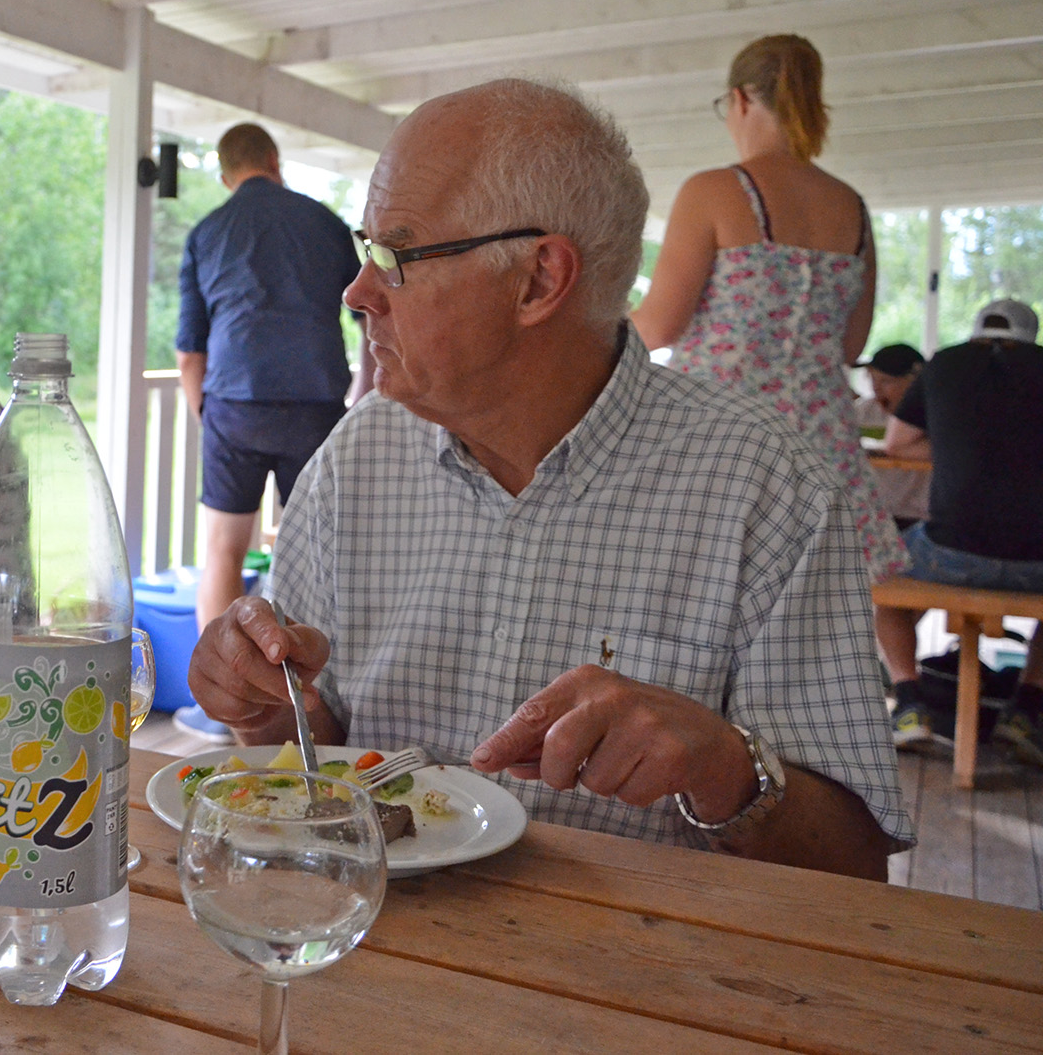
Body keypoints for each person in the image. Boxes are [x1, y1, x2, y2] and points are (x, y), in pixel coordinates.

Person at [188, 78, 910, 880]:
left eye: (392, 254)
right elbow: (311, 762)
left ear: (537, 280)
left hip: (642, 976)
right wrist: (262, 700)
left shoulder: (766, 488)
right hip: (367, 943)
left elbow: (854, 868)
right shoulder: (357, 459)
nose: (356, 293)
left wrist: (723, 768)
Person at [632, 34, 906, 583]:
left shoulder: (713, 191)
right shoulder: (850, 206)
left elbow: (659, 325)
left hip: (716, 436)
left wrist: (578, 336)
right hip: (822, 446)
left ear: (740, 100)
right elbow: (849, 346)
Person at [176, 123, 362, 631]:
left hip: (233, 406)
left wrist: (207, 413)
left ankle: (219, 701)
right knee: (313, 557)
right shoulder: (325, 223)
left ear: (224, 175)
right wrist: (364, 397)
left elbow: (190, 351)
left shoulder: (207, 232)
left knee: (222, 553)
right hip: (315, 407)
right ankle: (304, 695)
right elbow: (373, 318)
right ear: (275, 162)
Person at [876, 300, 1043, 760]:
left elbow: (897, 443)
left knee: (883, 564)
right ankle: (1026, 709)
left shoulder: (944, 363)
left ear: (975, 332)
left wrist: (960, 448)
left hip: (952, 551)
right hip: (1038, 564)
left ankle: (909, 704)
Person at [855, 343, 929, 527]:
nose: (876, 389)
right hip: (872, 513)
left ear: (914, 382)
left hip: (917, 517)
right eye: (872, 379)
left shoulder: (932, 416)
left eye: (886, 381)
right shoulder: (859, 413)